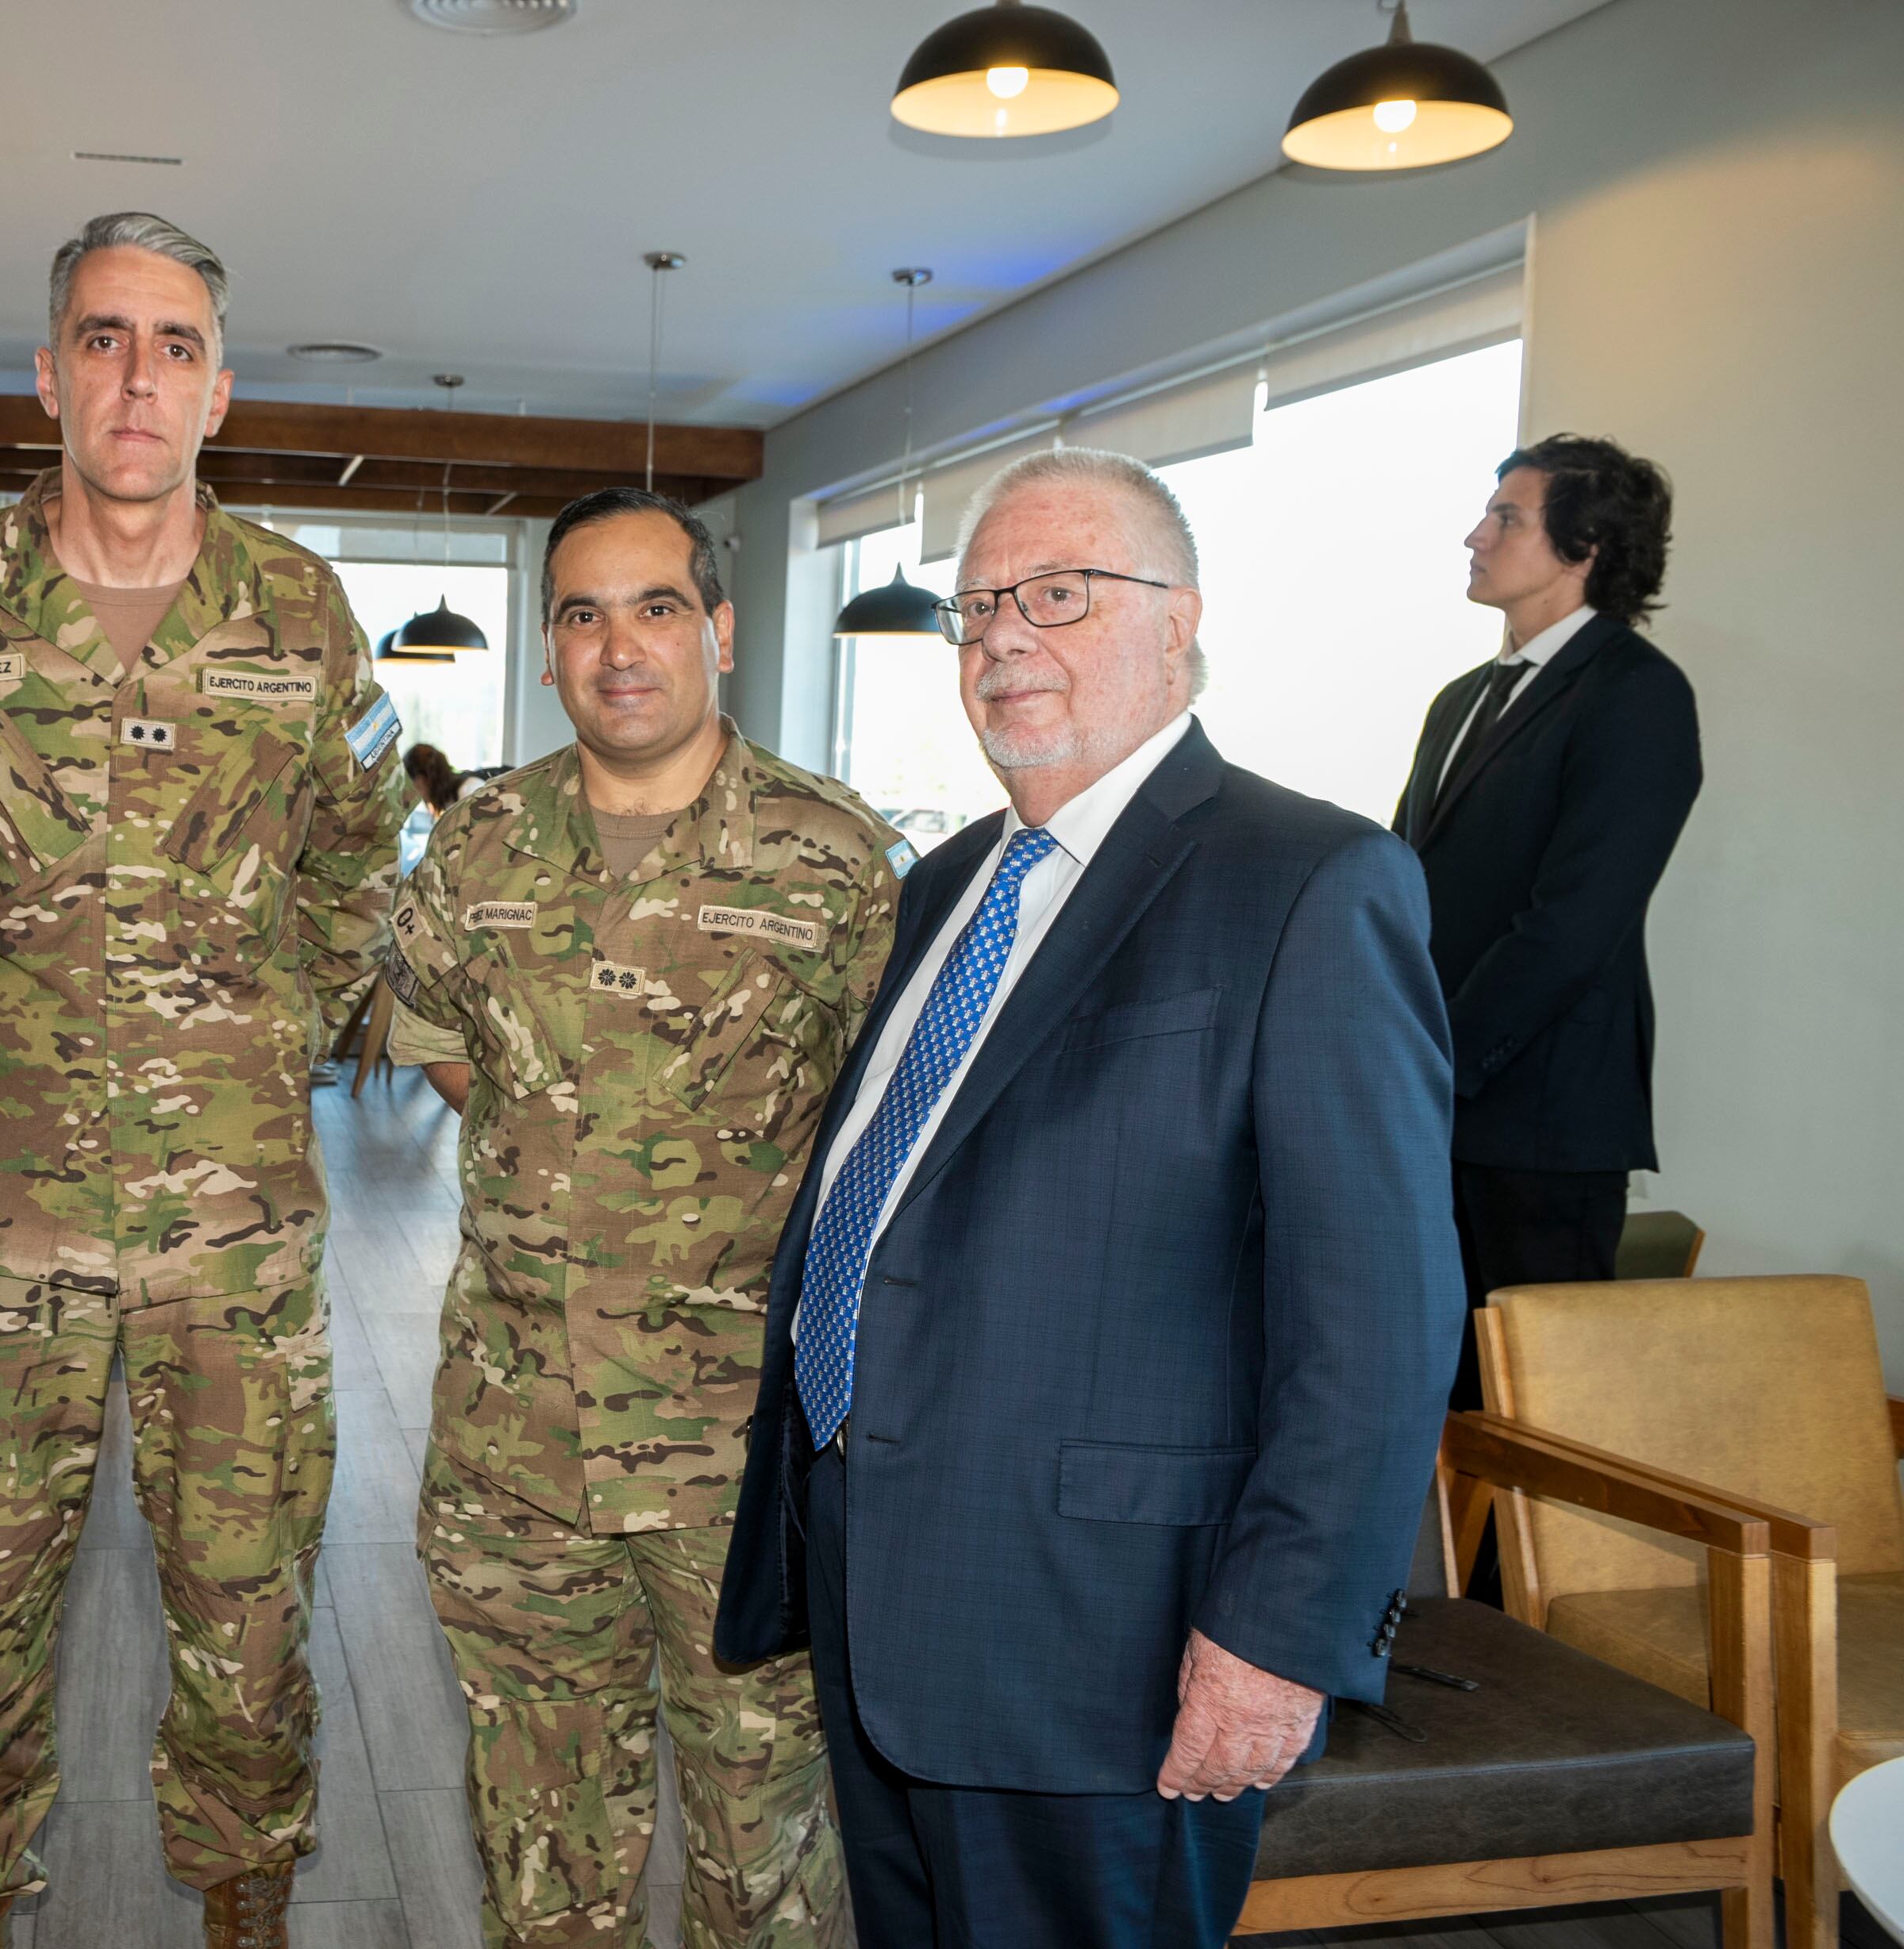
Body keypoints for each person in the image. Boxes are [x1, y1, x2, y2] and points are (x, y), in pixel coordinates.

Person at [717, 448, 1462, 1948]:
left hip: (1105, 1639)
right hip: (884, 1584)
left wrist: (1276, 1639)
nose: (1001, 635)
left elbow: (1377, 1316)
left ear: (1175, 619)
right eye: (978, 605)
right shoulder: (943, 888)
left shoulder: (1307, 881)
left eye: (1058, 594)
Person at [0, 212, 409, 1949]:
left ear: (221, 390)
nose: (135, 375)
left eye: (172, 344)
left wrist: (264, 1028)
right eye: (102, 339)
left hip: (231, 1242)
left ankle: (242, 1909)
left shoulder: (303, 610)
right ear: (45, 374)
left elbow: (363, 860)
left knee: (246, 1621)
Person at [384, 487, 897, 1949]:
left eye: (657, 607)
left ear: (720, 631)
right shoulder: (479, 844)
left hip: (744, 1457)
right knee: (545, 1850)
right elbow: (432, 1039)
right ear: (549, 652)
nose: (622, 648)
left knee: (770, 1858)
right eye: (584, 615)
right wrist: (586, 1152)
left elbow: (889, 1139)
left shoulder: (836, 861)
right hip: (516, 1450)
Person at [1391, 435, 1701, 1405]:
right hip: (1435, 1108)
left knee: (1541, 1420)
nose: (1474, 534)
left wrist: (1438, 1064)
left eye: (1507, 518)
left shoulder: (1636, 694)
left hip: (1541, 1119)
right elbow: (1404, 885)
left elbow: (1572, 922)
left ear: (1584, 549)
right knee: (1434, 1395)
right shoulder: (1459, 700)